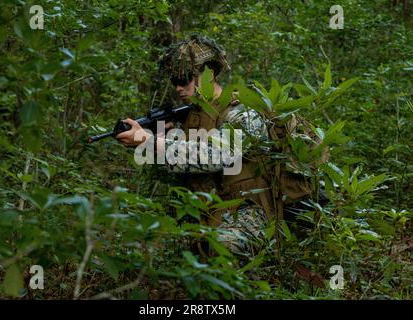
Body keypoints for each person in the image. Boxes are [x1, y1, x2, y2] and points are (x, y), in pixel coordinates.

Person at [115, 35, 309, 258]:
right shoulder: (188, 117)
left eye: (185, 78)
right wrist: (154, 142)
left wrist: (150, 142)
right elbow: (175, 172)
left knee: (226, 247)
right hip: (206, 209)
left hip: (248, 208)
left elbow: (219, 156)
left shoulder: (242, 112)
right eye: (174, 81)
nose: (178, 87)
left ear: (210, 74)